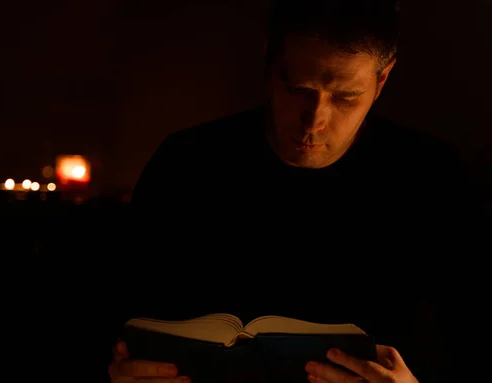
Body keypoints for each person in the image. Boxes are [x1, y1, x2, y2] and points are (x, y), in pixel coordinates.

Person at [111, 1, 482, 382]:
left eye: (345, 97)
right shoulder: (184, 164)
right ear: (267, 63)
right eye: (297, 89)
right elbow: (117, 319)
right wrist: (121, 371)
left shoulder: (431, 177)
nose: (315, 121)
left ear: (382, 78)